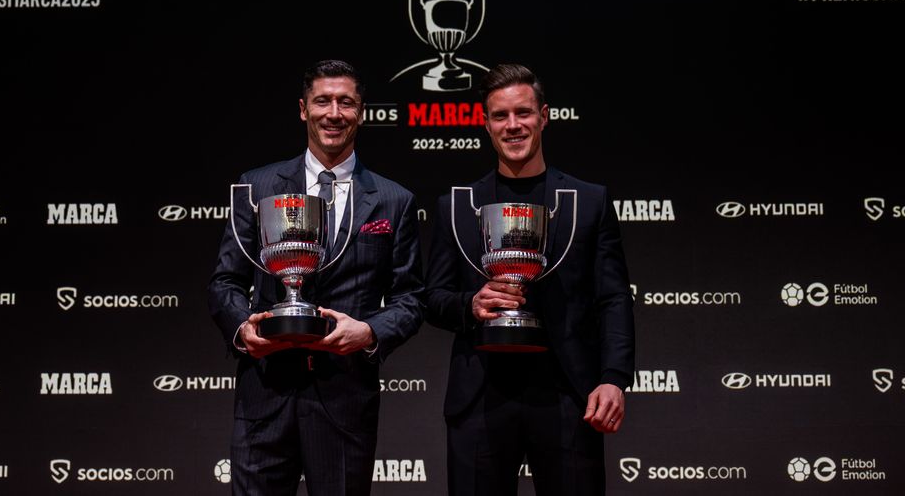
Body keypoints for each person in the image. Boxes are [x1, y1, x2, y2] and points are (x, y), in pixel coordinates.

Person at [208, 59, 424, 496]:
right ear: (303, 109)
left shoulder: (393, 200)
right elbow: (225, 282)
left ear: (361, 112)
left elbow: (411, 298)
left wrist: (368, 331)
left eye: (346, 102)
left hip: (345, 397)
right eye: (322, 101)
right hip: (265, 392)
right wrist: (242, 330)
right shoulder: (257, 185)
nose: (334, 112)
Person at [425, 64, 635, 495]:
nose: (513, 125)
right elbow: (433, 297)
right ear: (485, 123)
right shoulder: (456, 206)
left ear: (544, 116)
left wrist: (613, 378)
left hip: (567, 394)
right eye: (500, 116)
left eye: (523, 113)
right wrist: (471, 304)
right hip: (480, 394)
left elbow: (613, 298)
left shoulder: (588, 201)